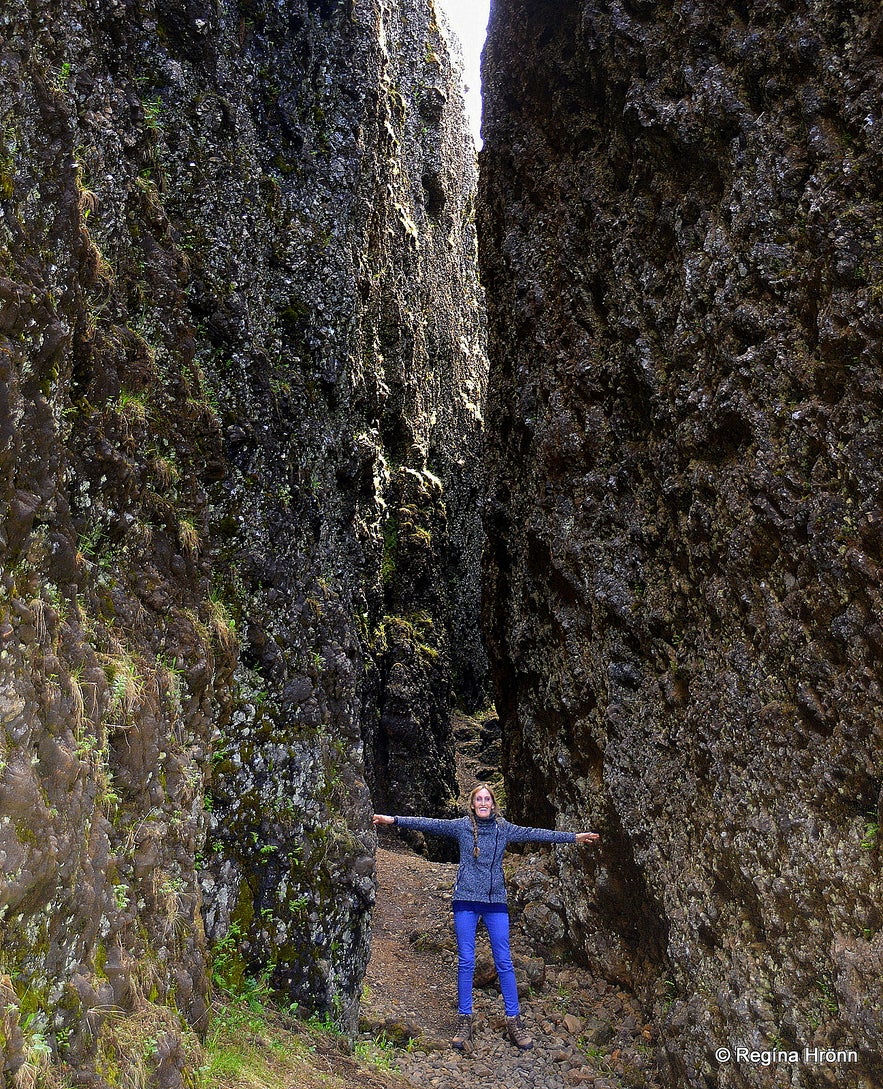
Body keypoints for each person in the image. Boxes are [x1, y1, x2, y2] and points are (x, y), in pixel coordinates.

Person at [373, 783, 600, 1052]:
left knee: (504, 961)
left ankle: (514, 1022)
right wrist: (393, 820)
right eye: (478, 799)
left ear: (493, 804)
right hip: (466, 901)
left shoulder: (504, 829)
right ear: (472, 804)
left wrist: (573, 837)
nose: (483, 803)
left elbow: (535, 833)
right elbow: (429, 823)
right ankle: (464, 1020)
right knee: (467, 960)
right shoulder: (461, 826)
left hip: (495, 904)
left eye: (487, 799)